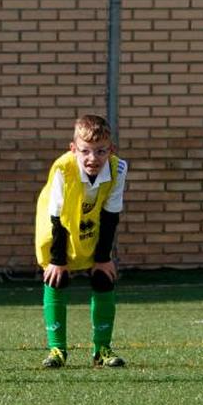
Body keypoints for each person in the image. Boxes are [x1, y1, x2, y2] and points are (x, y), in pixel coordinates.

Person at [34, 114, 128, 369]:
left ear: (111, 149)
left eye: (100, 151)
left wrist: (103, 258)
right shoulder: (63, 169)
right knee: (57, 277)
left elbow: (110, 215)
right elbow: (57, 216)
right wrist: (57, 260)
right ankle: (57, 350)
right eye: (85, 151)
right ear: (73, 149)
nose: (92, 158)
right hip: (55, 224)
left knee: (103, 277)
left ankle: (102, 350)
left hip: (89, 222)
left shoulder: (119, 168)